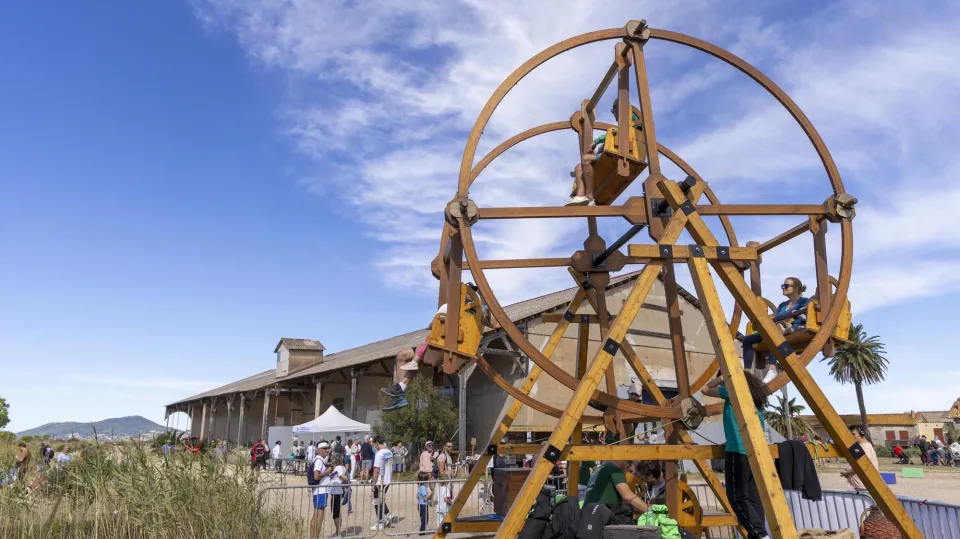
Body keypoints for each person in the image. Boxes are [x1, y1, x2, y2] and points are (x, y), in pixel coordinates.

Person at [701, 372, 770, 539]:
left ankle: (761, 535)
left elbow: (705, 389)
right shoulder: (756, 398)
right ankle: (761, 534)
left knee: (737, 498)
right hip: (756, 453)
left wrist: (722, 377)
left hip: (738, 450)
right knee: (752, 497)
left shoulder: (733, 392)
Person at [567, 98, 642, 206]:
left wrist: (596, 141)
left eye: (613, 110)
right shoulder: (624, 124)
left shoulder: (631, 120)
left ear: (619, 108)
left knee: (586, 159)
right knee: (579, 167)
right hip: (615, 152)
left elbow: (622, 132)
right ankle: (580, 196)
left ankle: (590, 197)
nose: (614, 115)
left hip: (621, 154)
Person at [741, 277, 810, 384]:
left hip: (794, 328)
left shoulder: (804, 301)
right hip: (777, 328)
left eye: (786, 286)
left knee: (773, 333)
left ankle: (772, 369)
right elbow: (776, 319)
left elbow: (808, 317)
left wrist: (797, 319)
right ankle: (747, 372)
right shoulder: (782, 305)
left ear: (795, 288)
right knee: (747, 340)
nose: (783, 288)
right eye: (783, 286)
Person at [582, 459, 649, 514]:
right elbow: (628, 496)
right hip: (600, 517)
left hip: (588, 515)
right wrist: (650, 512)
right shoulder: (615, 470)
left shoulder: (601, 469)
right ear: (627, 465)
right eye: (630, 471)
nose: (628, 474)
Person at [369, 436, 394, 531]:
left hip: (380, 481)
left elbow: (376, 470)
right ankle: (387, 515)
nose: (374, 447)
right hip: (387, 480)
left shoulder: (379, 454)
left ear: (376, 443)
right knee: (381, 500)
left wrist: (373, 483)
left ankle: (380, 522)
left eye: (374, 444)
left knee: (376, 501)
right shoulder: (389, 452)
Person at [310, 442, 333, 539]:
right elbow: (316, 476)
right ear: (320, 450)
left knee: (316, 515)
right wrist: (326, 472)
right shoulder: (319, 460)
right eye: (324, 448)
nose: (327, 450)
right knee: (319, 517)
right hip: (320, 491)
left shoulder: (319, 460)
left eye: (328, 448)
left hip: (320, 491)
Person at [327, 453, 349, 537]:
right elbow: (333, 476)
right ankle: (338, 531)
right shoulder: (341, 467)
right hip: (336, 492)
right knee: (337, 512)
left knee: (335, 513)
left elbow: (344, 477)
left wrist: (346, 485)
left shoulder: (338, 468)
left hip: (336, 492)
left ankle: (338, 533)